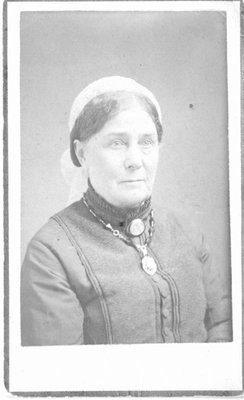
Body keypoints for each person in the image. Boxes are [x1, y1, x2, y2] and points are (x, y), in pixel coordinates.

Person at [21, 76, 232, 345]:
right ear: (82, 154)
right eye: (117, 143)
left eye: (146, 142)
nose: (135, 161)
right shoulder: (50, 251)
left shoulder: (185, 230)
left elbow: (224, 328)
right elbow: (65, 378)